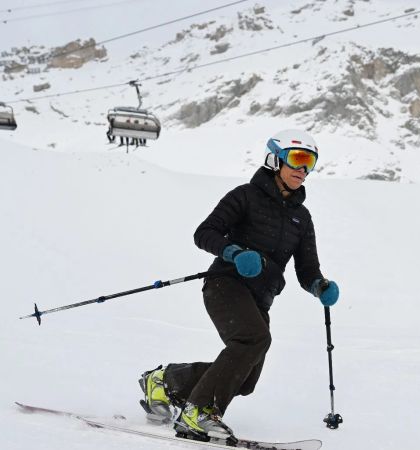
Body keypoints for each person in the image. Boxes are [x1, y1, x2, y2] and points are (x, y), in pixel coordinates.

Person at [138, 129, 340, 440]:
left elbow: (307, 269)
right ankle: (199, 412)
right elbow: (205, 233)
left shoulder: (303, 217)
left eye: (310, 162)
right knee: (252, 340)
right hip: (225, 285)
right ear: (275, 159)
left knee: (245, 380)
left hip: (261, 299)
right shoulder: (244, 196)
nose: (303, 170)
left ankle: (167, 382)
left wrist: (319, 285)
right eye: (297, 159)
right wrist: (235, 252)